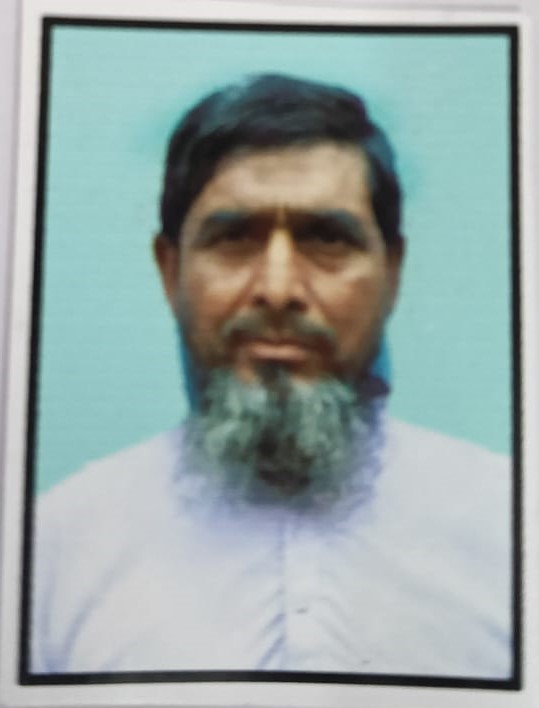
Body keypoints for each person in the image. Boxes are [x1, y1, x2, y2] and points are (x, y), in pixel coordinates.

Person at [31, 74, 512, 678]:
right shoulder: (53, 549)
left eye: (326, 237)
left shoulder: (510, 527)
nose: (279, 289)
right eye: (234, 237)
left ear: (392, 272)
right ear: (169, 270)